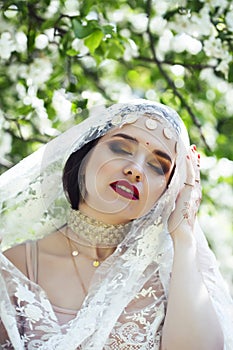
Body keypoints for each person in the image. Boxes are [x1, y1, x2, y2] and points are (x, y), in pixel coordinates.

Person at [0, 100, 232, 349]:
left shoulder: (169, 279)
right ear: (85, 153)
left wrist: (184, 237)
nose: (136, 170)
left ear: (166, 192)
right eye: (120, 148)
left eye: (157, 166)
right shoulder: (17, 265)